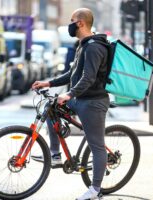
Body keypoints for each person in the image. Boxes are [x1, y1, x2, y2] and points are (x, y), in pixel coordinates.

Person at [32, 8, 109, 200]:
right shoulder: (83, 45)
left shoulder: (94, 47)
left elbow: (88, 78)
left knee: (97, 145)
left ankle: (95, 189)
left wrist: (69, 94)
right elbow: (73, 74)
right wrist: (49, 83)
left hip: (93, 102)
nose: (70, 24)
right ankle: (55, 154)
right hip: (81, 99)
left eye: (72, 20)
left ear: (81, 23)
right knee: (51, 109)